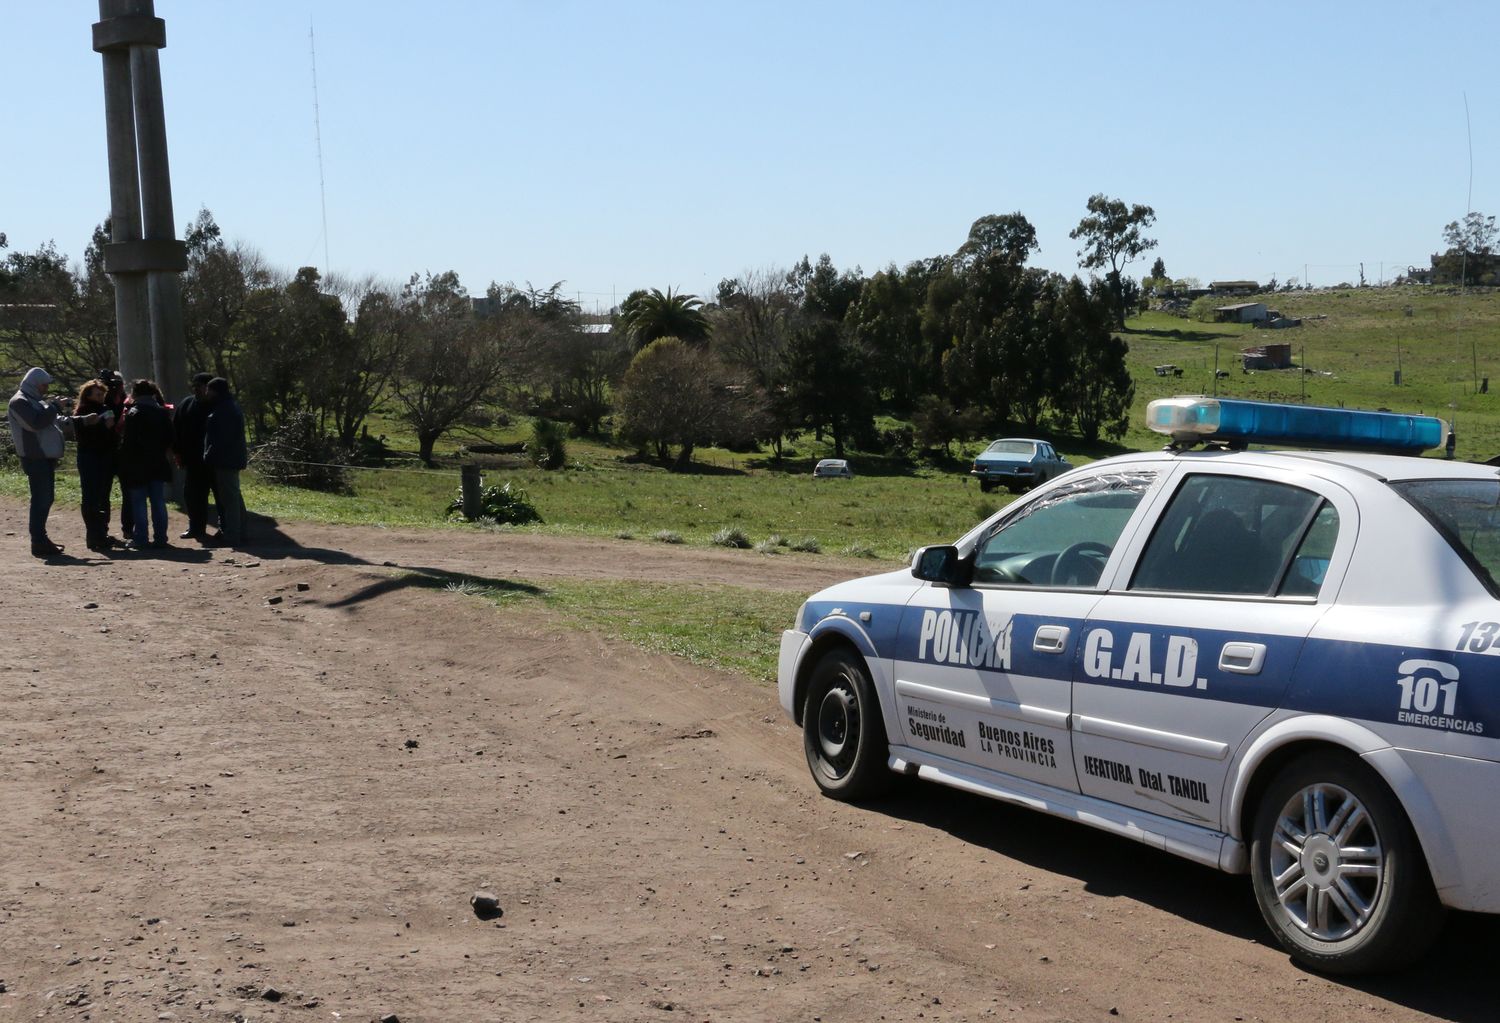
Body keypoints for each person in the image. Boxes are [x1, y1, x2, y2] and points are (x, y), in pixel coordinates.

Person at [7, 367, 106, 557]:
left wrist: (82, 420)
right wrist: (54, 407)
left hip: (43, 457)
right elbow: (35, 424)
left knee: (45, 498)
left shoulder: (34, 400)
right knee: (41, 499)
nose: (46, 388)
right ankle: (39, 541)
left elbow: (56, 421)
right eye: (44, 385)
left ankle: (41, 539)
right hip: (35, 457)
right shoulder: (19, 402)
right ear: (35, 384)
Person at [117, 378, 174, 550]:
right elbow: (171, 438)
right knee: (158, 501)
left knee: (138, 502)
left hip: (137, 464)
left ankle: (141, 538)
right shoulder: (162, 413)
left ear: (134, 394)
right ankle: (161, 538)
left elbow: (128, 442)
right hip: (158, 462)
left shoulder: (134, 413)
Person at [72, 378, 121, 551]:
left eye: (103, 394)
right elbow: (84, 435)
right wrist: (103, 426)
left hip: (105, 456)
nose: (101, 397)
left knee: (103, 495)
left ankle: (102, 532)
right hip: (90, 456)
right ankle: (94, 534)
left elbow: (112, 436)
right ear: (89, 395)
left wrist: (111, 428)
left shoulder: (106, 409)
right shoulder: (83, 411)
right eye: (98, 394)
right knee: (91, 496)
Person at [202, 377, 248, 546]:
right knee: (234, 496)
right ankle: (240, 531)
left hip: (225, 460)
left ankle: (233, 535)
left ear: (215, 391)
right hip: (231, 458)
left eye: (208, 390)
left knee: (229, 499)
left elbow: (221, 439)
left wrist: (208, 455)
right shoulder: (228, 406)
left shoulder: (224, 410)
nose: (206, 393)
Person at [173, 372, 214, 540]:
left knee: (221, 496)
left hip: (214, 460)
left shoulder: (218, 405)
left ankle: (227, 528)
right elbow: (176, 428)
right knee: (192, 495)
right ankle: (196, 527)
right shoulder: (187, 403)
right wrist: (178, 453)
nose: (196, 388)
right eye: (194, 385)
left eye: (200, 385)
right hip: (193, 460)